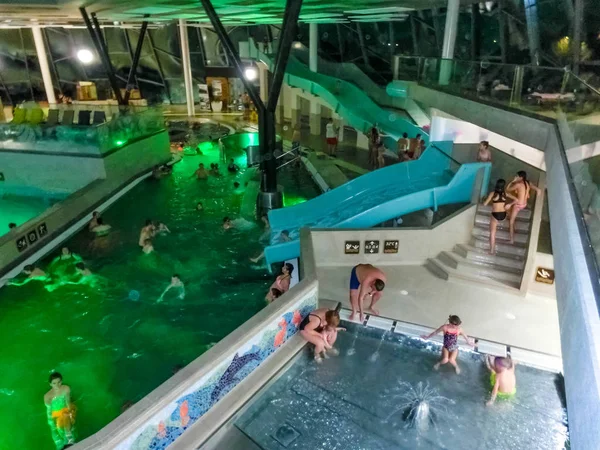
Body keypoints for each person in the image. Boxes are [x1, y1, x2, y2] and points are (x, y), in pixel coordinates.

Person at [506, 171, 542, 244]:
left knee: (511, 222)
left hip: (518, 205)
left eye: (517, 176)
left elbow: (507, 189)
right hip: (524, 204)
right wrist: (537, 190)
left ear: (521, 177)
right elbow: (533, 187)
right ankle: (514, 227)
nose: (515, 177)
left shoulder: (518, 184)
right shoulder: (527, 182)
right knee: (510, 210)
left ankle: (511, 240)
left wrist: (512, 181)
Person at [483, 179, 516, 254]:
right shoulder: (506, 194)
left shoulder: (493, 193)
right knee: (506, 211)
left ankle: (491, 251)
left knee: (492, 232)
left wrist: (487, 200)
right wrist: (509, 204)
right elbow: (516, 199)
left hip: (495, 215)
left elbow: (485, 204)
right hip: (503, 215)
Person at [44, 372, 76, 449]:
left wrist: (71, 414)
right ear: (50, 384)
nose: (57, 385)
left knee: (66, 417)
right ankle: (61, 445)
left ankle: (69, 440)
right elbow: (49, 411)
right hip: (56, 412)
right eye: (54, 383)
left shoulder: (66, 388)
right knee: (56, 429)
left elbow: (68, 402)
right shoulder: (47, 396)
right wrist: (51, 422)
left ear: (61, 381)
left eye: (59, 382)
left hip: (65, 409)